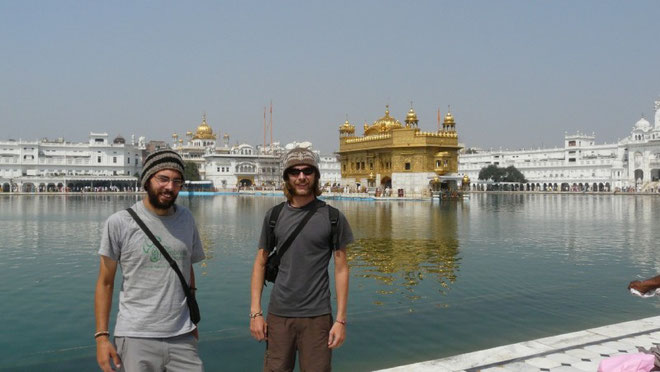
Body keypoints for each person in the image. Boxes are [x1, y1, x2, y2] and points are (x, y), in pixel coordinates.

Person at [94, 149, 205, 372]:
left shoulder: (186, 218)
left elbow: (187, 268)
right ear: (147, 180)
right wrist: (101, 337)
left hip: (182, 336)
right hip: (136, 336)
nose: (170, 187)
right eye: (163, 179)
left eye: (176, 181)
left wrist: (192, 318)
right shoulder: (119, 223)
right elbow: (105, 282)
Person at [249, 148, 354, 372]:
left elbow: (341, 268)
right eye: (294, 172)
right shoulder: (274, 216)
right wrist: (256, 312)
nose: (301, 177)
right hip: (279, 314)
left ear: (315, 175)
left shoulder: (332, 218)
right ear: (287, 177)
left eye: (307, 171)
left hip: (317, 316)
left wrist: (341, 319)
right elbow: (260, 263)